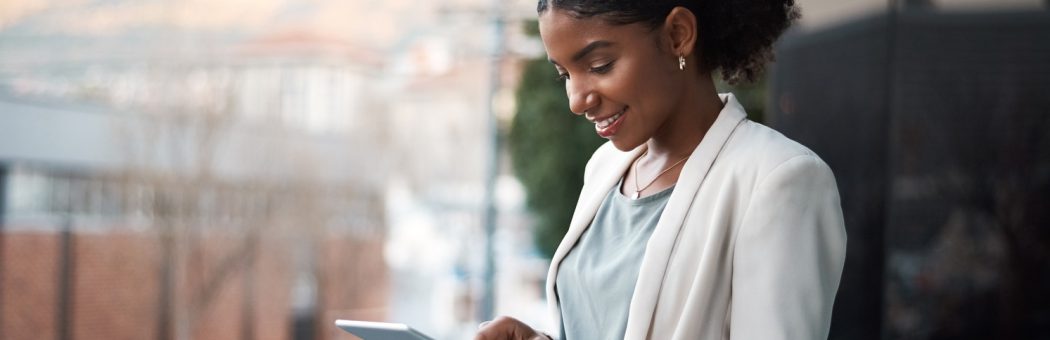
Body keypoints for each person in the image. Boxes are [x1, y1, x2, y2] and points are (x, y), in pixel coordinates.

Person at [476, 0, 846, 339]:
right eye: (565, 75)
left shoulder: (779, 180)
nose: (576, 100)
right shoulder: (604, 169)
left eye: (598, 66)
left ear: (677, 35)